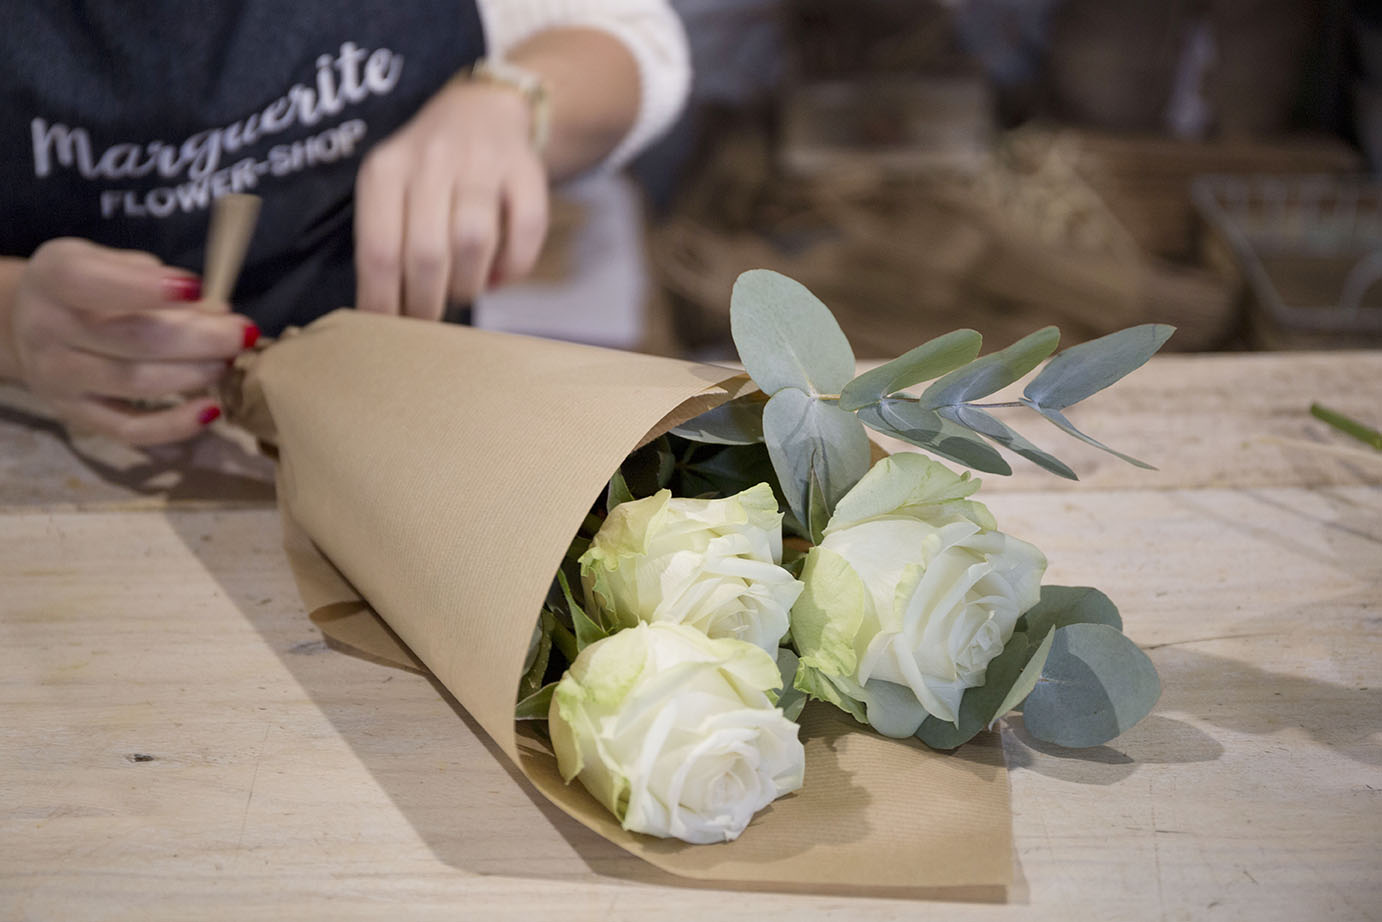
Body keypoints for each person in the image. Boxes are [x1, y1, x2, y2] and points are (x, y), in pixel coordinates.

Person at [0, 1, 690, 445]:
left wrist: (513, 99)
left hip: (389, 435)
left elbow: (634, 35)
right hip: (54, 451)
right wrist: (14, 321)